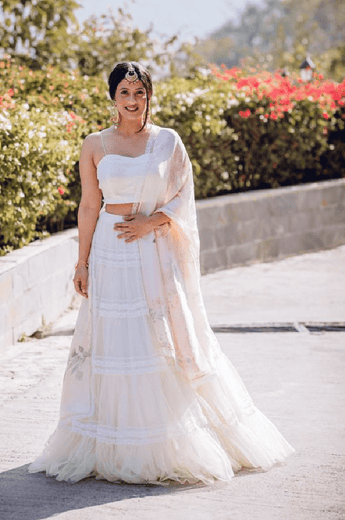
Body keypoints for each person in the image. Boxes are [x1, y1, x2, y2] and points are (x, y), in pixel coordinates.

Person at [28, 62, 295, 485]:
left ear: (149, 96)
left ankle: (162, 442)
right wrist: (82, 263)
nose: (132, 102)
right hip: (110, 251)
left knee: (159, 339)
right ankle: (109, 441)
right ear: (112, 97)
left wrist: (150, 223)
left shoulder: (167, 142)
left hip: (152, 249)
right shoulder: (95, 144)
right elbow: (88, 206)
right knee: (113, 340)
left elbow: (183, 196)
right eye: (124, 94)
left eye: (140, 94)